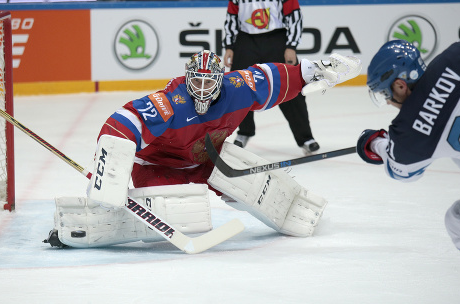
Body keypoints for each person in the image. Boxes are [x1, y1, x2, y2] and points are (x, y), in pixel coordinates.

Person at [44, 50, 361, 251]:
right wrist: (109, 168)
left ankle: (291, 210)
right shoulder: (171, 102)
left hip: (209, 161)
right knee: (174, 214)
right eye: (197, 82)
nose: (203, 90)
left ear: (221, 80)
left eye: (211, 83)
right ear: (187, 78)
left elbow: (274, 77)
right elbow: (123, 121)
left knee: (246, 184)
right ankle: (76, 229)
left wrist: (318, 67)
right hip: (160, 169)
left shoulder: (238, 89)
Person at [356, 37, 460, 304]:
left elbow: (401, 170)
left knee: (459, 220)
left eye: (387, 93)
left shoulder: (410, 130)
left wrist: (376, 143)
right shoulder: (458, 52)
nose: (390, 101)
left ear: (400, 85)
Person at [223, 0, 319, 153]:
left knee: (291, 85)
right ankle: (244, 132)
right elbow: (231, 17)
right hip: (246, 40)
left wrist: (291, 46)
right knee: (239, 86)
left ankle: (305, 138)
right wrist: (229, 46)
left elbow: (294, 16)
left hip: (276, 39)